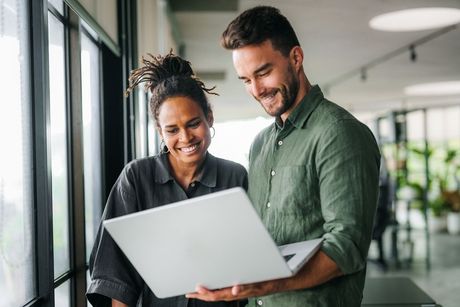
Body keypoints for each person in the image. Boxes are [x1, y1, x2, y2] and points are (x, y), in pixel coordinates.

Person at [186, 6, 381, 306]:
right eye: (245, 80)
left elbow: (347, 246)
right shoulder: (260, 144)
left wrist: (261, 285)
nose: (256, 89)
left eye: (263, 73)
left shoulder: (339, 133)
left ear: (296, 58)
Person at [86, 52, 248, 307]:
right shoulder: (136, 179)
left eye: (194, 123)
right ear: (160, 131)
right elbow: (116, 277)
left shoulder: (235, 177)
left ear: (210, 117)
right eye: (172, 130)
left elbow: (248, 261)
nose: (185, 138)